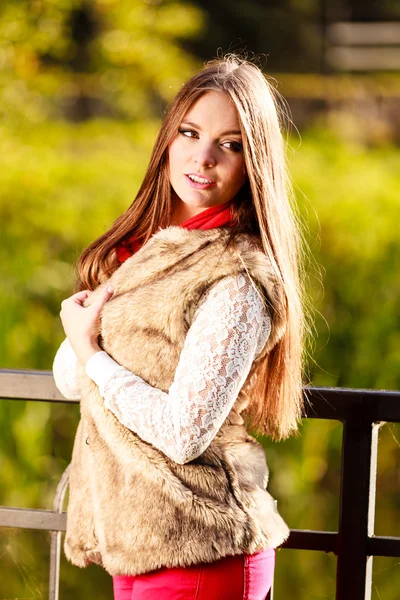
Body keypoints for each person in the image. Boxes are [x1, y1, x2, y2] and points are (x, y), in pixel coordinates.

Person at [53, 53, 307, 600]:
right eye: (190, 133)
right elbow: (70, 380)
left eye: (231, 144)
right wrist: (87, 340)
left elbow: (183, 434)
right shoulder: (150, 254)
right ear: (167, 139)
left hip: (202, 549)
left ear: (253, 163)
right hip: (145, 545)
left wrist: (91, 350)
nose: (203, 157)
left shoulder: (238, 278)